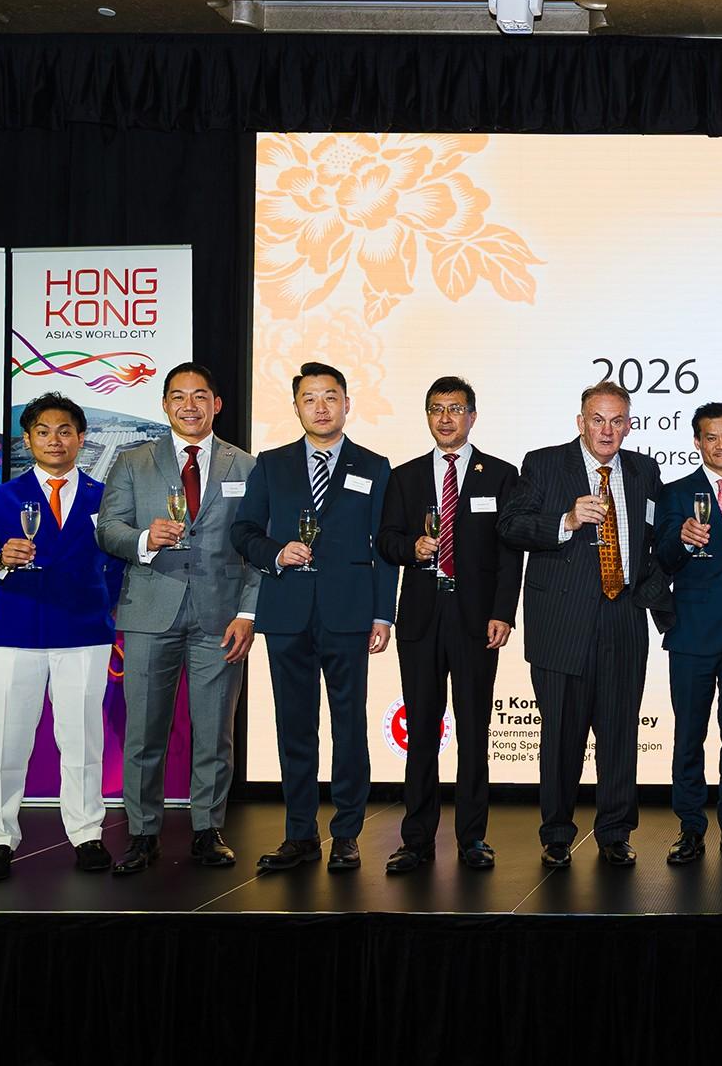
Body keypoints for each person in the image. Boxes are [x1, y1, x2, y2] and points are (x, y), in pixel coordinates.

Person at [231, 362, 394, 874]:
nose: (321, 407)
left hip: (349, 613)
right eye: (310, 399)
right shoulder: (272, 464)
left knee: (350, 728)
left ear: (347, 404)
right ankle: (300, 834)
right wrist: (276, 554)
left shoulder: (375, 465)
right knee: (294, 728)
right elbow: (245, 531)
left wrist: (382, 614)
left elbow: (384, 549)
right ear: (296, 406)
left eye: (330, 397)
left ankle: (346, 832)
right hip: (287, 614)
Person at [498, 381, 668, 869]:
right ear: (580, 422)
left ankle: (615, 832)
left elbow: (653, 542)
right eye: (598, 419)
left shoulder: (643, 470)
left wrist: (659, 606)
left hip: (623, 619)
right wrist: (566, 520)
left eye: (617, 421)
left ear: (629, 425)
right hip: (562, 624)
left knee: (619, 735)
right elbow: (510, 525)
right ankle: (556, 834)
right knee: (561, 737)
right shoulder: (544, 464)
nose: (607, 430)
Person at [98, 360, 258, 875]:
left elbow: (256, 547)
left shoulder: (246, 466)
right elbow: (108, 530)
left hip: (220, 617)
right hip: (149, 611)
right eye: (178, 396)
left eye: (200, 396)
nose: (189, 405)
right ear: (164, 405)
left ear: (217, 404)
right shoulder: (133, 461)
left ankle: (208, 830)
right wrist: (144, 540)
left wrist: (247, 612)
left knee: (215, 732)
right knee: (144, 731)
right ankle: (143, 833)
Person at [0, 393, 121, 881]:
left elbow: (116, 564)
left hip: (85, 632)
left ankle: (87, 833)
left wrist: (99, 602)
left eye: (65, 430)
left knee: (83, 740)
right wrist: (1, 559)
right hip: (16, 632)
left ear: (81, 438)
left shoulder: (105, 495)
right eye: (43, 431)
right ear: (27, 440)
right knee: (6, 742)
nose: (55, 439)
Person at [375, 376, 522, 874]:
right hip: (421, 614)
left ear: (472, 416)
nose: (445, 418)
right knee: (421, 730)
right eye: (436, 409)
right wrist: (409, 548)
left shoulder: (500, 475)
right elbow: (386, 540)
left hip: (477, 618)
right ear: (427, 416)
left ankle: (472, 838)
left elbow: (510, 554)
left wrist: (503, 612)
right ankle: (416, 839)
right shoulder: (406, 476)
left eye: (455, 409)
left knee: (475, 728)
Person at [652, 403, 722, 865]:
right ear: (697, 443)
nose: (721, 446)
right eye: (710, 438)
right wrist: (680, 538)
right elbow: (661, 558)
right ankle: (691, 827)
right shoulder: (676, 494)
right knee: (690, 735)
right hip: (694, 632)